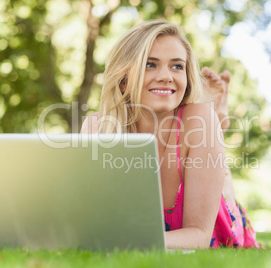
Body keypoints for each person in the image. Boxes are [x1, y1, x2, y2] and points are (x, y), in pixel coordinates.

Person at [81, 20, 259, 249]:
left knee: (205, 128)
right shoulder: (98, 127)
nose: (166, 76)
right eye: (150, 64)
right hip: (191, 135)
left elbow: (199, 235)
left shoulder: (199, 119)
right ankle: (216, 132)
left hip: (220, 225)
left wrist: (131, 242)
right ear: (123, 81)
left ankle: (216, 129)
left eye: (177, 66)